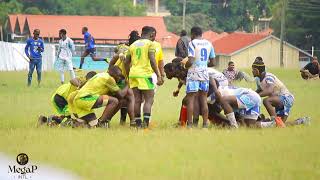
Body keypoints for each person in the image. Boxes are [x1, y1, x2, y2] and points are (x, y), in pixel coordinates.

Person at [125, 26, 164, 128]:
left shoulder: (133, 45)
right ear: (151, 34)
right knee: (149, 100)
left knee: (137, 100)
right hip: (145, 74)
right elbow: (152, 60)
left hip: (133, 74)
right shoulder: (150, 44)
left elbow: (126, 62)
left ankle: (138, 124)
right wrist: (159, 75)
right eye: (154, 36)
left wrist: (128, 74)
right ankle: (145, 124)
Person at [184, 26, 215, 128]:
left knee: (191, 99)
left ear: (192, 34)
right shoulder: (209, 44)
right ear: (201, 34)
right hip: (205, 74)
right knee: (203, 99)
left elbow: (191, 60)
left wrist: (185, 66)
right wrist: (204, 65)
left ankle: (190, 124)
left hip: (193, 74)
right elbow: (213, 62)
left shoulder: (192, 43)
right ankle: (205, 124)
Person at [109, 31, 140, 126]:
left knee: (126, 99)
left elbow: (115, 53)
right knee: (126, 99)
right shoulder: (133, 51)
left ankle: (124, 121)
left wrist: (109, 68)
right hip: (121, 78)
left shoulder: (125, 48)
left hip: (116, 76)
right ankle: (106, 119)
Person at [252, 60, 293, 127]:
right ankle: (301, 121)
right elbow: (259, 90)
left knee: (266, 101)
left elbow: (269, 91)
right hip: (278, 100)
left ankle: (274, 121)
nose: (252, 71)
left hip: (286, 98)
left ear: (257, 70)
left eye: (253, 69)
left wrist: (256, 95)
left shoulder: (268, 77)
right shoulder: (260, 79)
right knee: (281, 125)